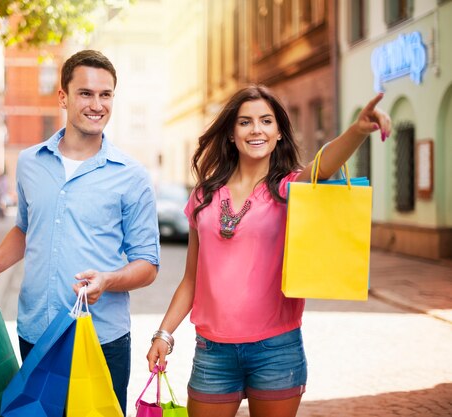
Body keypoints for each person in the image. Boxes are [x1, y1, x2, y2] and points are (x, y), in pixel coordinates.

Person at [146, 85, 391, 417]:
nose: (256, 129)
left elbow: (325, 165)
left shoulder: (290, 189)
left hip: (276, 350)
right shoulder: (204, 196)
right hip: (212, 351)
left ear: (278, 133)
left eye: (266, 121)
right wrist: (164, 333)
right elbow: (191, 280)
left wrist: (358, 131)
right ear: (232, 134)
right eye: (245, 122)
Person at [0, 49, 160, 415]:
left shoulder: (131, 175)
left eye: (106, 95)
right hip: (36, 332)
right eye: (86, 93)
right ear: (63, 97)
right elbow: (25, 228)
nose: (96, 104)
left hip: (100, 339)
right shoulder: (29, 162)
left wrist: (107, 279)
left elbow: (148, 265)